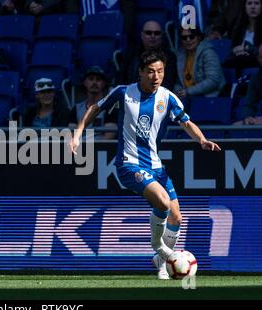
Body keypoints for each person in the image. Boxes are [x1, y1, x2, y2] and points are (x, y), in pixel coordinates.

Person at [69, 50, 221, 280]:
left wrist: (201, 139)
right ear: (140, 72)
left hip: (156, 167)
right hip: (128, 164)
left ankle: (161, 263)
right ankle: (164, 252)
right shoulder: (123, 92)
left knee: (177, 217)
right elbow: (95, 107)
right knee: (161, 201)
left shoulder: (168, 98)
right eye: (150, 71)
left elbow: (186, 123)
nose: (156, 76)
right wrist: (79, 132)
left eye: (160, 71)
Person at [117, 20, 177, 91]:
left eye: (157, 33)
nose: (152, 36)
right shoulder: (130, 54)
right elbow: (121, 79)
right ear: (142, 35)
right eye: (148, 33)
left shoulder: (170, 57)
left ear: (161, 36)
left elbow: (168, 84)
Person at [174, 27, 226, 100]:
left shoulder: (208, 53)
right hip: (187, 98)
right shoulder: (180, 54)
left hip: (209, 98)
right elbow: (177, 82)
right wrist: (179, 92)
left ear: (199, 37)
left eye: (192, 37)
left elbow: (213, 80)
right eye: (184, 38)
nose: (188, 40)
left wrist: (188, 91)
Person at [69, 66, 117, 140]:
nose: (94, 82)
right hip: (80, 148)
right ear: (85, 82)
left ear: (104, 84)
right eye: (91, 79)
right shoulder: (76, 108)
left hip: (101, 149)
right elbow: (72, 135)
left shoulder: (109, 108)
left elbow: (109, 136)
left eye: (98, 79)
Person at [223, 0, 262, 69]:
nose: (253, 7)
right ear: (245, 7)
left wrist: (248, 49)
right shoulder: (239, 28)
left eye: (256, 3)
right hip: (239, 65)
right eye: (249, 3)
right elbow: (233, 48)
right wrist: (235, 50)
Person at [234, 43, 262, 125]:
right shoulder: (257, 78)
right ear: (258, 59)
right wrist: (248, 117)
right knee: (236, 126)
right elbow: (249, 105)